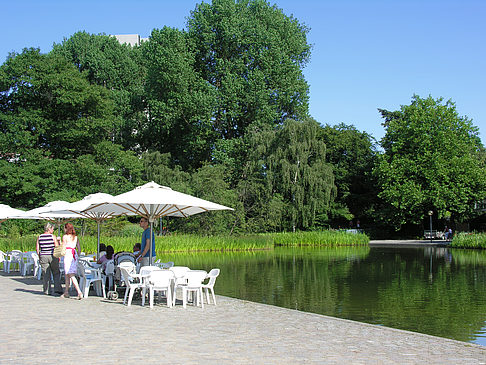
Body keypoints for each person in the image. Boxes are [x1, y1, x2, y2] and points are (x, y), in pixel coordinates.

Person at [36, 223, 63, 295]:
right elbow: (57, 247)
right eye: (52, 229)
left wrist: (39, 256)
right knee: (56, 272)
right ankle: (57, 288)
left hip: (43, 256)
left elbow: (37, 248)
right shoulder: (53, 237)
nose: (53, 230)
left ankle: (47, 290)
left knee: (46, 274)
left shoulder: (40, 237)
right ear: (49, 229)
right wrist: (58, 256)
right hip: (52, 256)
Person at [61, 223, 83, 300]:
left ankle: (79, 292)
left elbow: (63, 247)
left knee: (71, 274)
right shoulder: (75, 237)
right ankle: (66, 292)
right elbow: (79, 249)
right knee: (67, 274)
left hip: (68, 254)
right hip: (74, 254)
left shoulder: (65, 237)